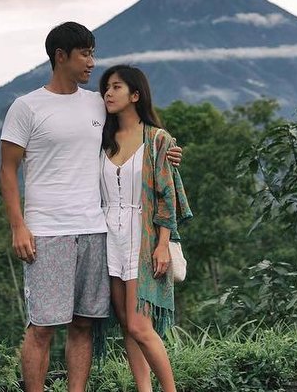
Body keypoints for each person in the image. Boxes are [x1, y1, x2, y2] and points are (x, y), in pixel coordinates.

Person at [0, 22, 180, 392]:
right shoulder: (26, 107)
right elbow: (7, 170)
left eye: (93, 53)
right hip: (47, 231)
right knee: (43, 327)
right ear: (60, 56)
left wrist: (169, 151)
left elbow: (138, 133)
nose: (92, 63)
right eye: (85, 54)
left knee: (84, 324)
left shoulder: (98, 103)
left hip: (97, 231)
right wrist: (18, 225)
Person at [99, 64, 191, 392]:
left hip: (144, 237)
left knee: (140, 324)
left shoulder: (158, 140)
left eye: (116, 87)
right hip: (109, 238)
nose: (108, 93)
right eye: (106, 87)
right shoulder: (102, 139)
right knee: (126, 322)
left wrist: (163, 243)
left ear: (135, 95)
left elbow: (167, 197)